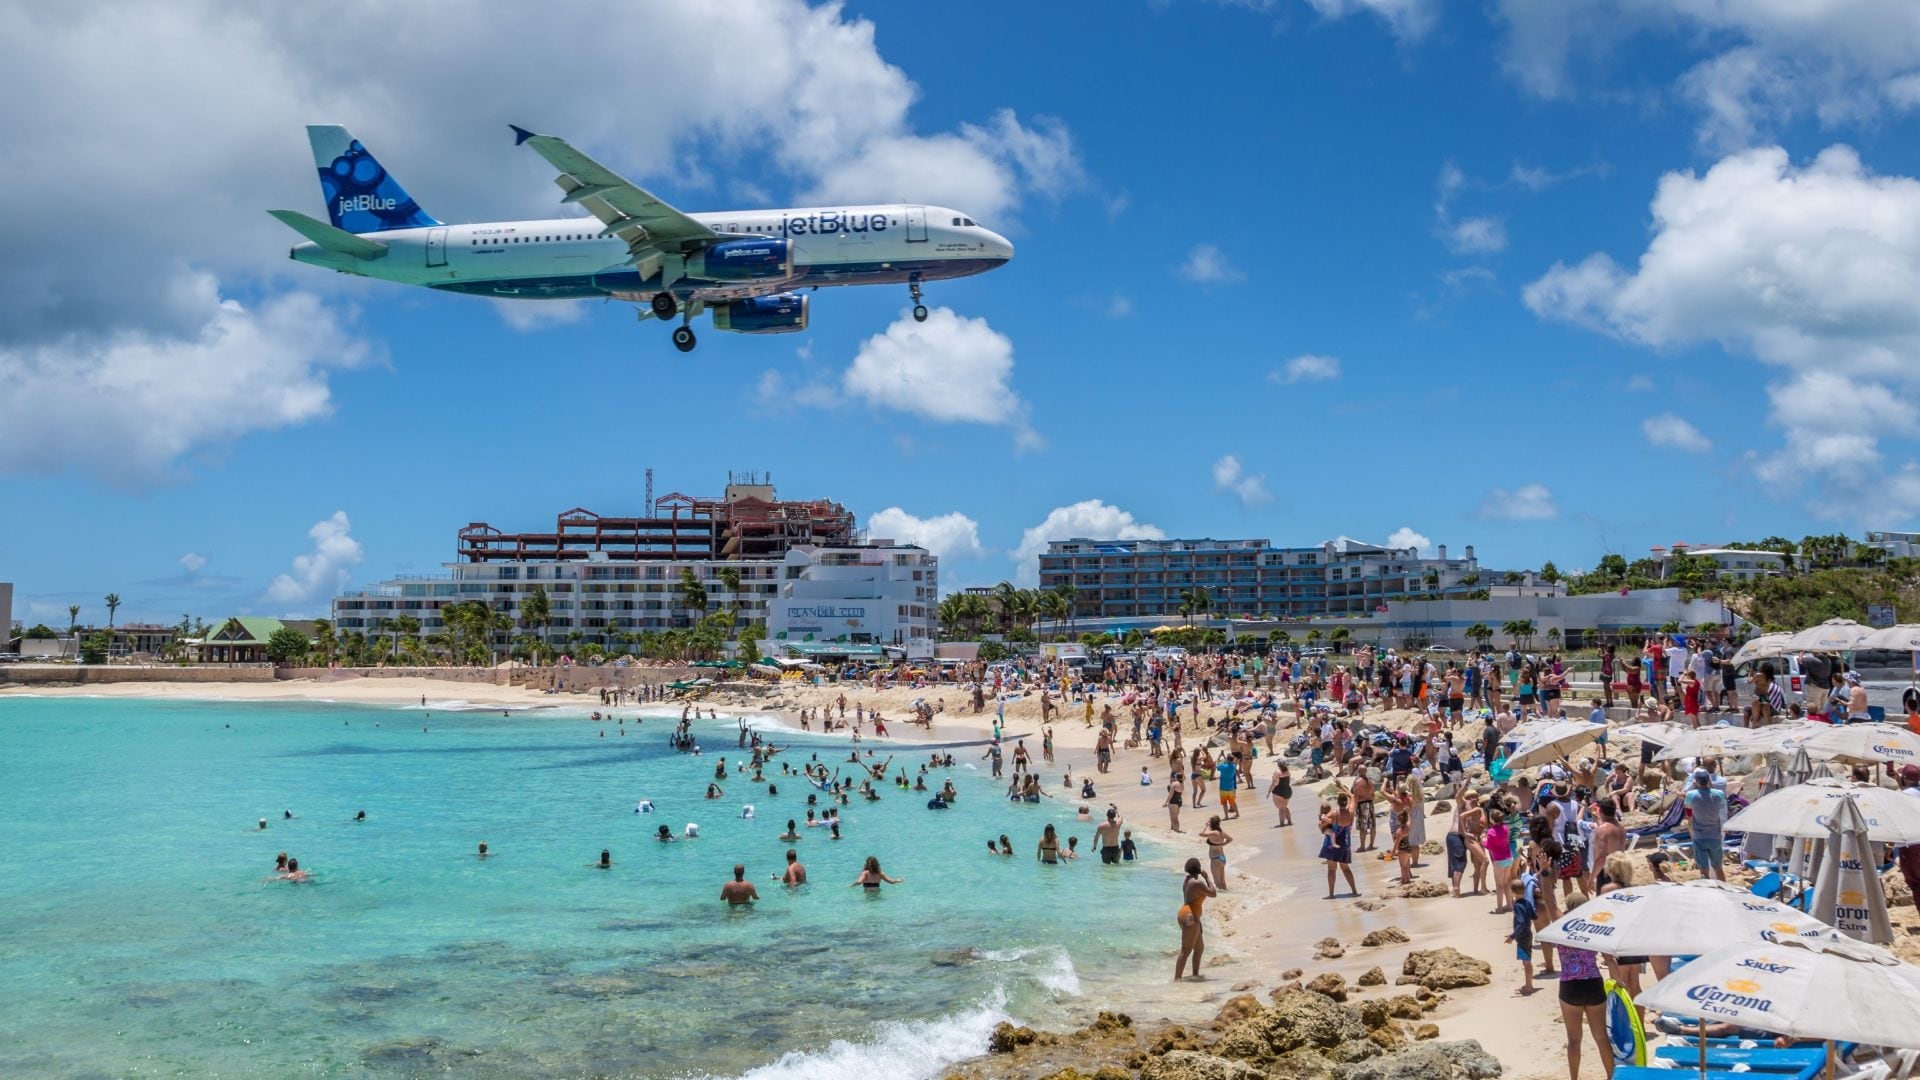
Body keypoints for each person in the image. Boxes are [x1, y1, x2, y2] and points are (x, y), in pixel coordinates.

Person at [1556, 892, 1613, 1080]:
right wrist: (1618, 982)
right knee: (1602, 1037)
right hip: (1593, 983)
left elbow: (1548, 899)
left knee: (1574, 1040)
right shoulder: (1594, 926)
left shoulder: (1560, 926)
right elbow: (1609, 958)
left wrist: (1545, 876)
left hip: (1570, 985)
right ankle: (1611, 1076)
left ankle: (1574, 1078)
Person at [1174, 856, 1217, 982]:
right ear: (1198, 870)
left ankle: (1195, 975)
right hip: (1190, 917)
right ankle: (1177, 980)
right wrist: (1207, 877)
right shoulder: (1197, 883)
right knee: (1186, 950)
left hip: (1186, 914)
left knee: (1199, 949)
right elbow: (1213, 893)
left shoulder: (1187, 880)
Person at [1683, 767, 1728, 881]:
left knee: (1703, 870)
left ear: (1696, 782)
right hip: (1715, 835)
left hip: (1699, 836)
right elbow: (1721, 804)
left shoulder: (1691, 795)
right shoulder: (1719, 794)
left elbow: (1688, 812)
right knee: (1718, 868)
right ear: (1709, 780)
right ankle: (1725, 888)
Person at [1318, 793, 1359, 899]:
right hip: (1345, 844)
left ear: (1337, 802)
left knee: (1331, 869)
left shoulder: (1333, 814)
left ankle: (1331, 894)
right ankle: (1354, 891)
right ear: (1347, 802)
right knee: (1346, 869)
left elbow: (1321, 822)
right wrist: (1343, 788)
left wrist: (1322, 828)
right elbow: (1353, 797)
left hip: (1331, 844)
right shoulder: (1351, 813)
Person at [1506, 878, 1537, 996]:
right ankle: (1529, 984)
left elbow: (1521, 923)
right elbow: (1534, 916)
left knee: (1526, 962)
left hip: (1522, 937)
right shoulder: (1527, 902)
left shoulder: (1518, 906)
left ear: (1513, 892)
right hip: (1528, 934)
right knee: (1526, 961)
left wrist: (1512, 936)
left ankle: (1529, 986)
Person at [1199, 815, 1232, 891]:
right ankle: (1226, 895)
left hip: (1215, 859)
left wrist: (1206, 826)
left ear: (1212, 824)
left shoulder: (1214, 833)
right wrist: (1222, 845)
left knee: (1217, 882)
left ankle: (1222, 898)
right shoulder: (1222, 832)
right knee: (1222, 881)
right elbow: (1230, 839)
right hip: (1222, 858)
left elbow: (1201, 834)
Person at [1268, 761, 1293, 827]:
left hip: (1279, 792)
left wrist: (1269, 792)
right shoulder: (1288, 772)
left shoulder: (1277, 772)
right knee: (1284, 807)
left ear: (1278, 765)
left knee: (1281, 808)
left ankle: (1282, 824)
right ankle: (1289, 822)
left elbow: (1274, 783)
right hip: (1288, 791)